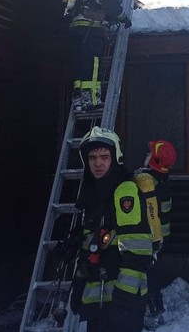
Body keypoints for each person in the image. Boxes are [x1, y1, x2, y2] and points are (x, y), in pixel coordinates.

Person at [69, 126, 153, 332]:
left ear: (115, 159)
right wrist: (79, 283)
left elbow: (138, 252)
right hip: (100, 301)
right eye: (92, 158)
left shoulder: (124, 191)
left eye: (104, 157)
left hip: (120, 303)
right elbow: (93, 247)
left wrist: (123, 299)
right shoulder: (95, 193)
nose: (98, 163)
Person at [68, 0, 132, 113]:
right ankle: (92, 100)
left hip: (79, 28)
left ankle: (79, 100)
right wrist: (125, 19)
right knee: (94, 64)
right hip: (92, 29)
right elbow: (112, 6)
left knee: (82, 65)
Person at [133, 140, 177, 329]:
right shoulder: (162, 180)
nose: (146, 156)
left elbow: (152, 213)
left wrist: (154, 241)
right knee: (150, 274)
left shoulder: (147, 181)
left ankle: (153, 314)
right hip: (158, 239)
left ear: (155, 160)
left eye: (149, 154)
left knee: (146, 276)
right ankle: (155, 311)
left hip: (149, 239)